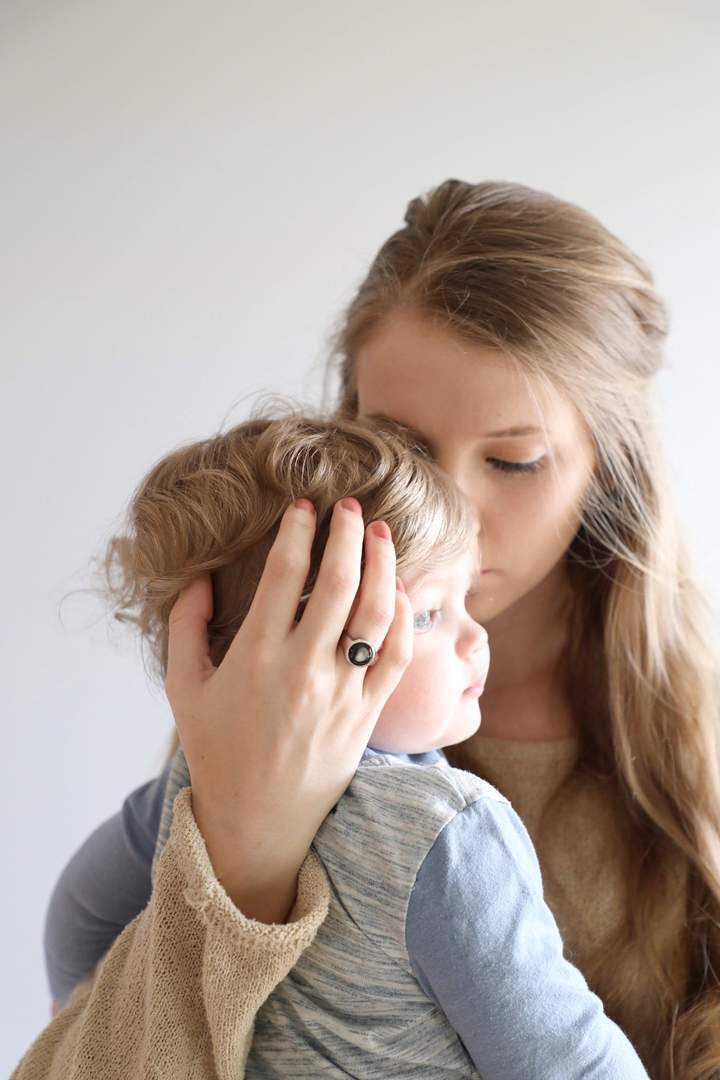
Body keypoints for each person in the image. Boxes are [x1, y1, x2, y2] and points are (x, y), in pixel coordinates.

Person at [31, 179, 720, 1079]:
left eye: (513, 461)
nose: (457, 511)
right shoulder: (277, 706)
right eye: (407, 450)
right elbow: (100, 1010)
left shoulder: (690, 750)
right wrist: (244, 867)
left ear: (608, 469)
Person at [16, 409, 649, 1079]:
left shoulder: (198, 782)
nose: (476, 636)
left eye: (467, 598)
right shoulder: (446, 836)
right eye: (431, 614)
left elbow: (78, 917)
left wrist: (78, 1009)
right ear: (300, 643)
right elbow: (566, 1062)